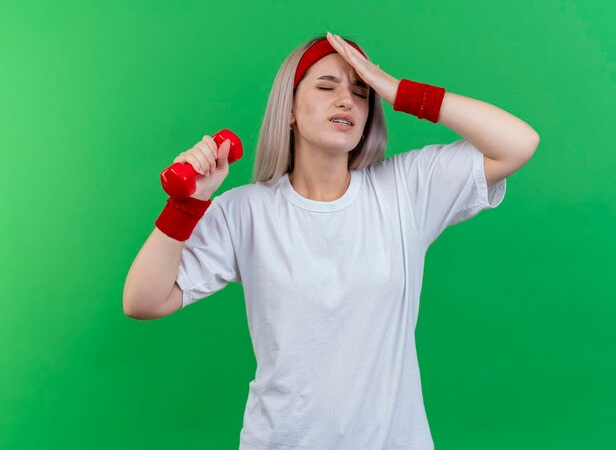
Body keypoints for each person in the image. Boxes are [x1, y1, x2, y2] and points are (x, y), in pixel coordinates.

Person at [123, 32, 538, 450]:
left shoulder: (406, 190)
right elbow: (143, 301)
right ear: (288, 110)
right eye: (326, 86)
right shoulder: (244, 211)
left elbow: (518, 144)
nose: (347, 100)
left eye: (361, 92)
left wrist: (397, 91)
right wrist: (187, 206)